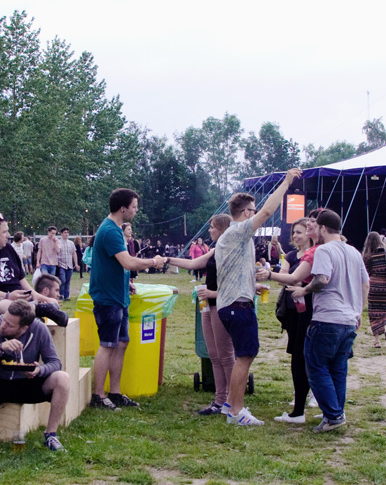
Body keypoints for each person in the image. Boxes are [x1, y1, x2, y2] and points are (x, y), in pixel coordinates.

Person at [217, 167, 301, 426]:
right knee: (245, 356)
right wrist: (286, 182)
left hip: (233, 303)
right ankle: (236, 413)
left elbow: (230, 272)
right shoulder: (238, 231)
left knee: (244, 354)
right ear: (246, 213)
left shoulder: (233, 237)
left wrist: (251, 285)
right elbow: (267, 211)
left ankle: (230, 404)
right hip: (237, 306)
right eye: (252, 211)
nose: (256, 215)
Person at [292, 210, 368, 432]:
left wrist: (304, 290)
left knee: (316, 367)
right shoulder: (353, 251)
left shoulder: (324, 250)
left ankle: (333, 416)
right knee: (338, 369)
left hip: (327, 318)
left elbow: (322, 279)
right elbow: (365, 283)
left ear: (323, 228)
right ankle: (335, 412)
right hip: (348, 320)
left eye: (316, 226)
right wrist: (359, 311)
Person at [0, 300, 70, 460]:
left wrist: (39, 370)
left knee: (63, 378)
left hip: (27, 383)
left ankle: (51, 435)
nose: (3, 326)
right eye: (4, 319)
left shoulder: (38, 329)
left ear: (23, 328)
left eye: (9, 325)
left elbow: (55, 362)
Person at [89, 188, 163, 410]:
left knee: (121, 343)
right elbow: (128, 262)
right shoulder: (110, 231)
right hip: (108, 298)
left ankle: (115, 392)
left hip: (119, 296)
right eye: (134, 207)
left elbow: (116, 265)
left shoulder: (116, 229)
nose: (136, 210)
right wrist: (153, 262)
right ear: (123, 208)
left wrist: (126, 283)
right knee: (107, 345)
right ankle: (98, 395)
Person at [166, 215, 234, 415]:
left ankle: (232, 401)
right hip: (207, 306)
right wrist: (168, 260)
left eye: (213, 227)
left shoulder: (232, 251)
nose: (210, 231)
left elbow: (237, 286)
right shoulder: (215, 250)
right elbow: (193, 264)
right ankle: (219, 401)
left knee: (226, 356)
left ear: (223, 229)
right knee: (213, 355)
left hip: (222, 306)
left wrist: (213, 293)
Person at [256, 216, 319, 423]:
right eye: (294, 232)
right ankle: (301, 395)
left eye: (299, 232)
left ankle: (312, 395)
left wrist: (296, 281)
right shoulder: (291, 255)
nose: (295, 236)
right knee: (297, 354)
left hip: (310, 309)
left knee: (308, 355)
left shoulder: (315, 254)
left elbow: (294, 278)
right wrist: (289, 279)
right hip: (293, 309)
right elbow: (285, 277)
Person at [0, 211, 66, 328]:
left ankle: (32, 312)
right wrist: (7, 296)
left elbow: (21, 279)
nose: (8, 235)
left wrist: (37, 295)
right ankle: (35, 309)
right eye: (4, 232)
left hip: (17, 301)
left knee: (41, 312)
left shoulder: (8, 249)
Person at [362, 230, 386, 349]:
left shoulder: (368, 257)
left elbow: (366, 273)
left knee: (374, 313)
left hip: (374, 287)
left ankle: (377, 341)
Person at [56, 228, 78, 301]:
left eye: (67, 233)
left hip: (69, 265)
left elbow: (74, 253)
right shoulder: (58, 242)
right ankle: (61, 295)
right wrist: (57, 262)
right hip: (61, 265)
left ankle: (67, 296)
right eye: (65, 232)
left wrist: (76, 263)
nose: (66, 234)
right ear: (61, 233)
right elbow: (56, 253)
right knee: (62, 280)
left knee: (68, 281)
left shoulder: (71, 243)